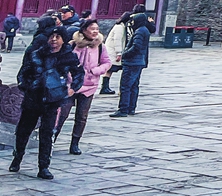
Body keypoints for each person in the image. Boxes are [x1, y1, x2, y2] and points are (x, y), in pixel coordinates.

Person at [11, 26, 83, 179]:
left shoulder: (68, 56)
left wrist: (72, 89)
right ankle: (17, 157)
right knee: (23, 131)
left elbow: (78, 73)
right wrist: (28, 86)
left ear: (64, 39)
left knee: (47, 133)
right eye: (52, 36)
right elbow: (23, 73)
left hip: (53, 100)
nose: (54, 40)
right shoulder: (36, 54)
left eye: (58, 37)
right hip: (33, 98)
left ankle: (43, 166)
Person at [55, 19, 110, 156]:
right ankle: (51, 139)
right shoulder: (73, 45)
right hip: (71, 85)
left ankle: (75, 143)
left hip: (89, 85)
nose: (95, 31)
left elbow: (107, 62)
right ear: (84, 30)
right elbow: (62, 61)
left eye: (97, 29)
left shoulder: (100, 46)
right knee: (62, 114)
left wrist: (96, 71)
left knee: (82, 116)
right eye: (92, 28)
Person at [111, 12, 151, 118]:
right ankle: (131, 108)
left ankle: (123, 108)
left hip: (133, 62)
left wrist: (125, 54)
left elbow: (136, 47)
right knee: (133, 86)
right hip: (139, 62)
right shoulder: (144, 30)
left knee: (126, 86)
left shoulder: (139, 31)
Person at [100, 10, 132, 95]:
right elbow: (117, 40)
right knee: (111, 69)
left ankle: (105, 87)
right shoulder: (119, 27)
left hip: (112, 51)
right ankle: (105, 87)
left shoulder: (120, 26)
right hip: (113, 51)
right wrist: (119, 53)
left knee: (110, 70)